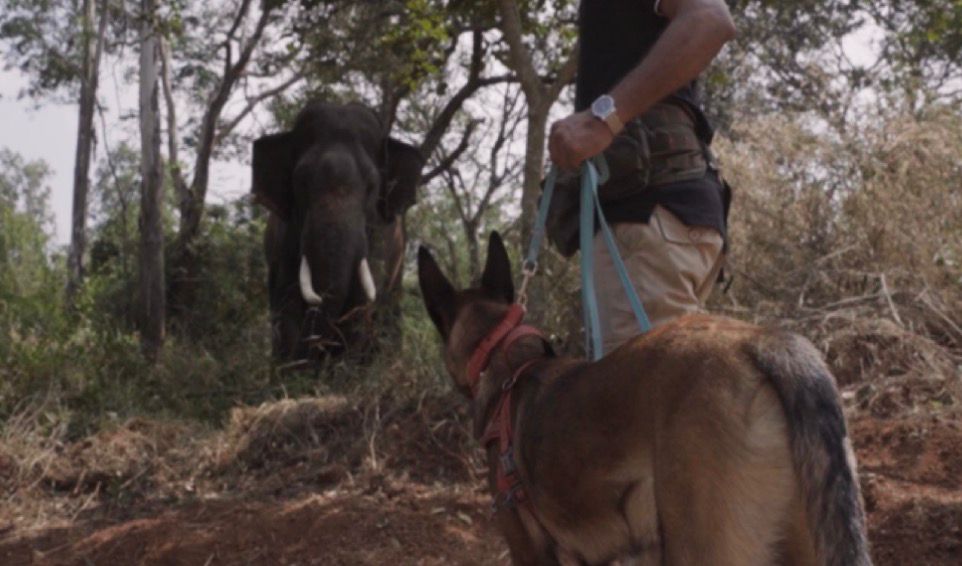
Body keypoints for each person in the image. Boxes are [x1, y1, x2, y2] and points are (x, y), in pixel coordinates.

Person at [547, 0, 736, 355]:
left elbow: (710, 19)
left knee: (638, 403)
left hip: (648, 218)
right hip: (661, 221)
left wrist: (602, 118)